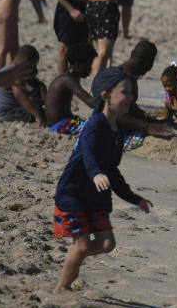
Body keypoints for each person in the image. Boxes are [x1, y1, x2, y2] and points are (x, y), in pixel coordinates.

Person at [52, 67, 153, 293]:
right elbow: (87, 153)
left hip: (96, 198)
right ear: (106, 96)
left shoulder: (118, 131)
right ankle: (61, 288)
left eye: (132, 92)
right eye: (124, 92)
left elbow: (113, 172)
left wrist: (134, 199)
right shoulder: (94, 124)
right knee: (83, 245)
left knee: (107, 244)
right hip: (74, 194)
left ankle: (74, 260)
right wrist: (95, 172)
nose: (130, 97)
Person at [45, 42, 99, 135]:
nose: (90, 69)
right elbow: (91, 102)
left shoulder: (69, 77)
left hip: (64, 121)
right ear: (77, 64)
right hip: (60, 125)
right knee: (97, 129)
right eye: (88, 65)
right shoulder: (68, 79)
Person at [0, 44, 47, 126]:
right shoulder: (14, 72)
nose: (33, 70)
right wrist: (37, 115)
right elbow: (19, 95)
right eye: (33, 66)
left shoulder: (10, 68)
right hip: (9, 113)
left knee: (39, 88)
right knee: (46, 114)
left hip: (8, 111)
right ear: (27, 62)